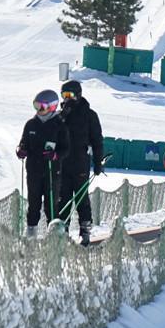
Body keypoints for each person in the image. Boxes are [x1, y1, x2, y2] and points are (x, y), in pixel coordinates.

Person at [57, 80, 104, 245]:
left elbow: (97, 140)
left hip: (80, 163)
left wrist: (98, 163)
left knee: (81, 197)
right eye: (63, 96)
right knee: (62, 198)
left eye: (69, 95)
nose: (66, 99)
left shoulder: (89, 115)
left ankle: (85, 230)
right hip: (62, 164)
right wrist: (61, 118)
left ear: (78, 95)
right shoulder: (61, 115)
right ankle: (61, 231)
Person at [17, 90, 70, 237]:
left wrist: (55, 155)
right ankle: (31, 234)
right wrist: (21, 150)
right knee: (33, 203)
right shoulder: (31, 124)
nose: (39, 110)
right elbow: (23, 143)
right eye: (36, 106)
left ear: (52, 107)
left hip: (52, 172)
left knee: (51, 205)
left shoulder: (59, 126)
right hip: (34, 170)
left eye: (42, 107)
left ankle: (53, 235)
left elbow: (65, 149)